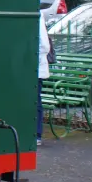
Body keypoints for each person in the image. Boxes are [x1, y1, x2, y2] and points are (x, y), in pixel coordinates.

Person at [37, 12, 51, 146]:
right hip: (33, 67)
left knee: (36, 102)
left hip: (37, 68)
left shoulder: (38, 14)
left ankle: (37, 133)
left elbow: (45, 46)